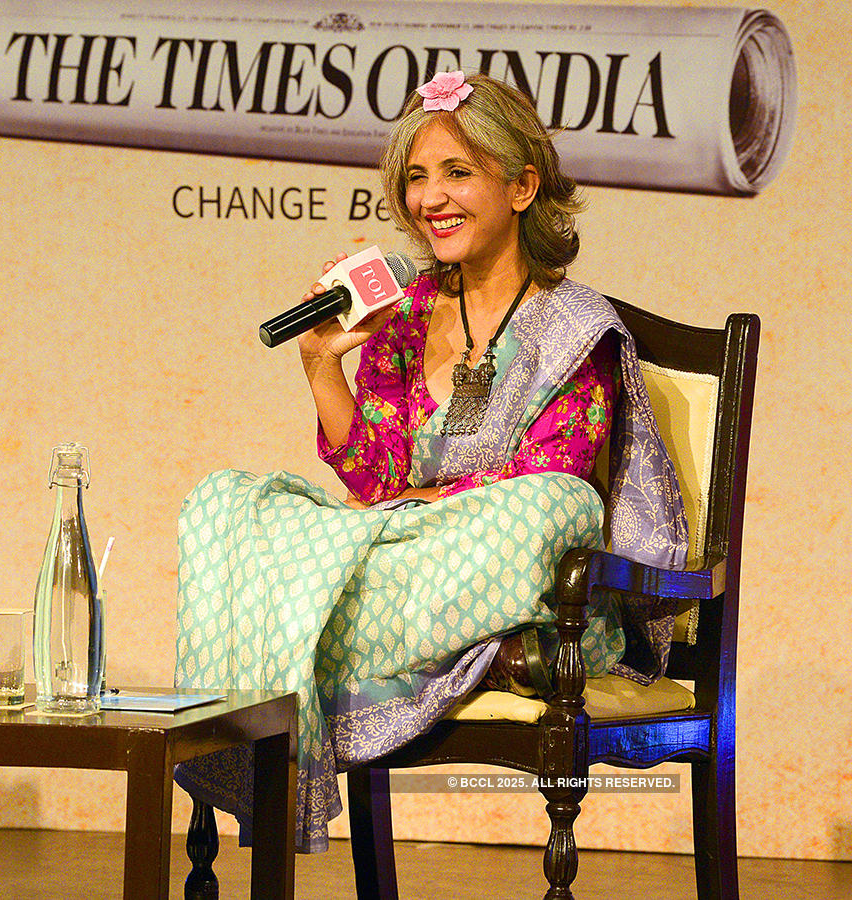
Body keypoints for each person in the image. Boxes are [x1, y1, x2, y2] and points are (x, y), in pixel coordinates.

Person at [173, 72, 688, 852]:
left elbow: (552, 477)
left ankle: (308, 643)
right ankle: (482, 655)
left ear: (521, 185)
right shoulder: (406, 315)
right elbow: (373, 479)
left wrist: (405, 508)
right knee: (226, 501)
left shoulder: (577, 325)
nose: (430, 198)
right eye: (416, 178)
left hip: (505, 567)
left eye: (456, 173)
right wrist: (321, 365)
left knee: (553, 507)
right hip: (404, 563)